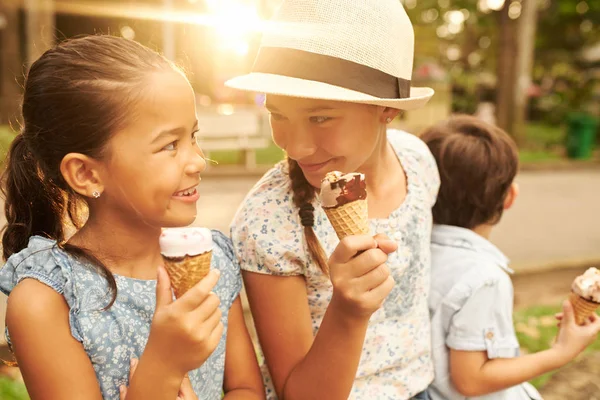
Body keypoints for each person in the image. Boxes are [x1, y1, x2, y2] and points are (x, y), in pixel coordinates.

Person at [0, 35, 264, 400]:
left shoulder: (210, 259)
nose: (198, 160)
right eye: (169, 145)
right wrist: (163, 365)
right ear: (87, 174)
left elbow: (247, 389)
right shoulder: (47, 300)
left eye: (192, 136)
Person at [227, 0, 440, 398]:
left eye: (320, 117)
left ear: (388, 109)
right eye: (278, 114)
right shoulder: (268, 220)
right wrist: (348, 310)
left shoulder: (418, 163)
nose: (296, 146)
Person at [421, 115, 600, 400]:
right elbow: (471, 380)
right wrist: (561, 352)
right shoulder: (483, 279)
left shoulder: (413, 253)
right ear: (510, 196)